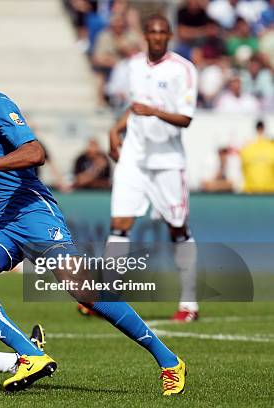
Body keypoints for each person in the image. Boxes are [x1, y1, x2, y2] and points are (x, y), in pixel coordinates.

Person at [0, 35, 186, 395]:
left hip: (33, 212)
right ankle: (29, 355)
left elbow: (35, 152)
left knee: (84, 291)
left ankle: (168, 360)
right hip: (1, 220)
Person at [108, 15, 199, 323]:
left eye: (163, 32)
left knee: (178, 228)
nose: (158, 36)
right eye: (153, 31)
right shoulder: (133, 65)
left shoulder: (183, 70)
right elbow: (134, 107)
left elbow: (186, 118)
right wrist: (115, 130)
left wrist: (154, 112)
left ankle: (189, 303)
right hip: (134, 155)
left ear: (170, 35)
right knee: (120, 224)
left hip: (167, 160)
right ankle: (109, 297)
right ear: (146, 34)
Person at [240, 120, 274, 193]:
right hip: (269, 192)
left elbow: (242, 168)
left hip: (251, 192)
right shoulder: (271, 146)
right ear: (263, 129)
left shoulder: (246, 147)